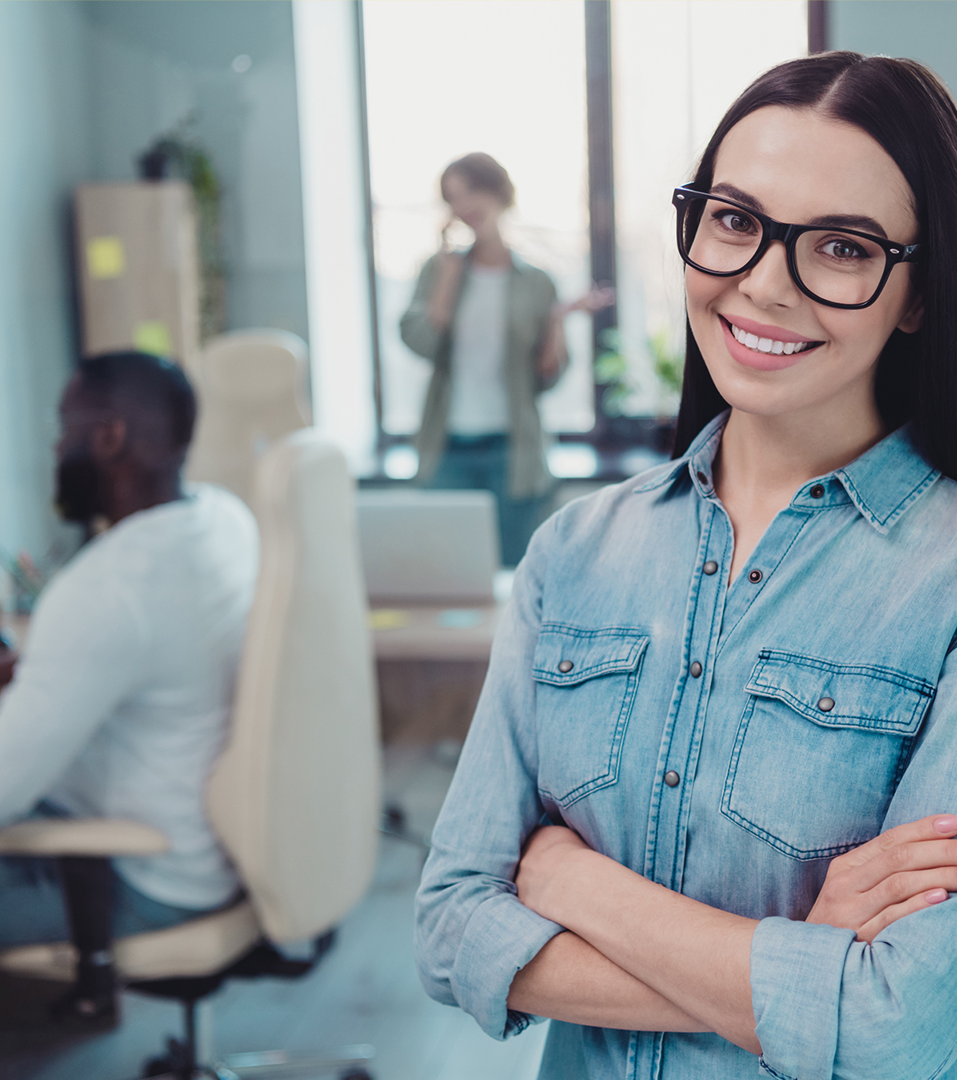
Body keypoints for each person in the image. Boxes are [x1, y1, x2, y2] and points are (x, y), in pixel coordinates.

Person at [415, 53, 957, 1079]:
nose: (761, 283)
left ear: (919, 293)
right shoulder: (574, 556)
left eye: (841, 247)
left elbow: (904, 1028)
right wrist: (801, 965)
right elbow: (448, 931)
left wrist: (572, 884)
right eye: (734, 220)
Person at [0, 352, 258, 967]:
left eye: (64, 428)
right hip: (205, 846)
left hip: (137, 874)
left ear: (109, 436)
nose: (55, 450)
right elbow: (146, 651)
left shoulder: (105, 590)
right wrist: (12, 670)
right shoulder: (224, 520)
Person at [400, 152, 612, 566]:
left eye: (472, 191)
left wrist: (555, 323)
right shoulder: (438, 270)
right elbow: (422, 344)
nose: (464, 206)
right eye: (453, 198)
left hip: (513, 452)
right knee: (448, 572)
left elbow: (546, 380)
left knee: (516, 574)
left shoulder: (536, 282)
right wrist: (447, 276)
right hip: (447, 449)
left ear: (498, 192)